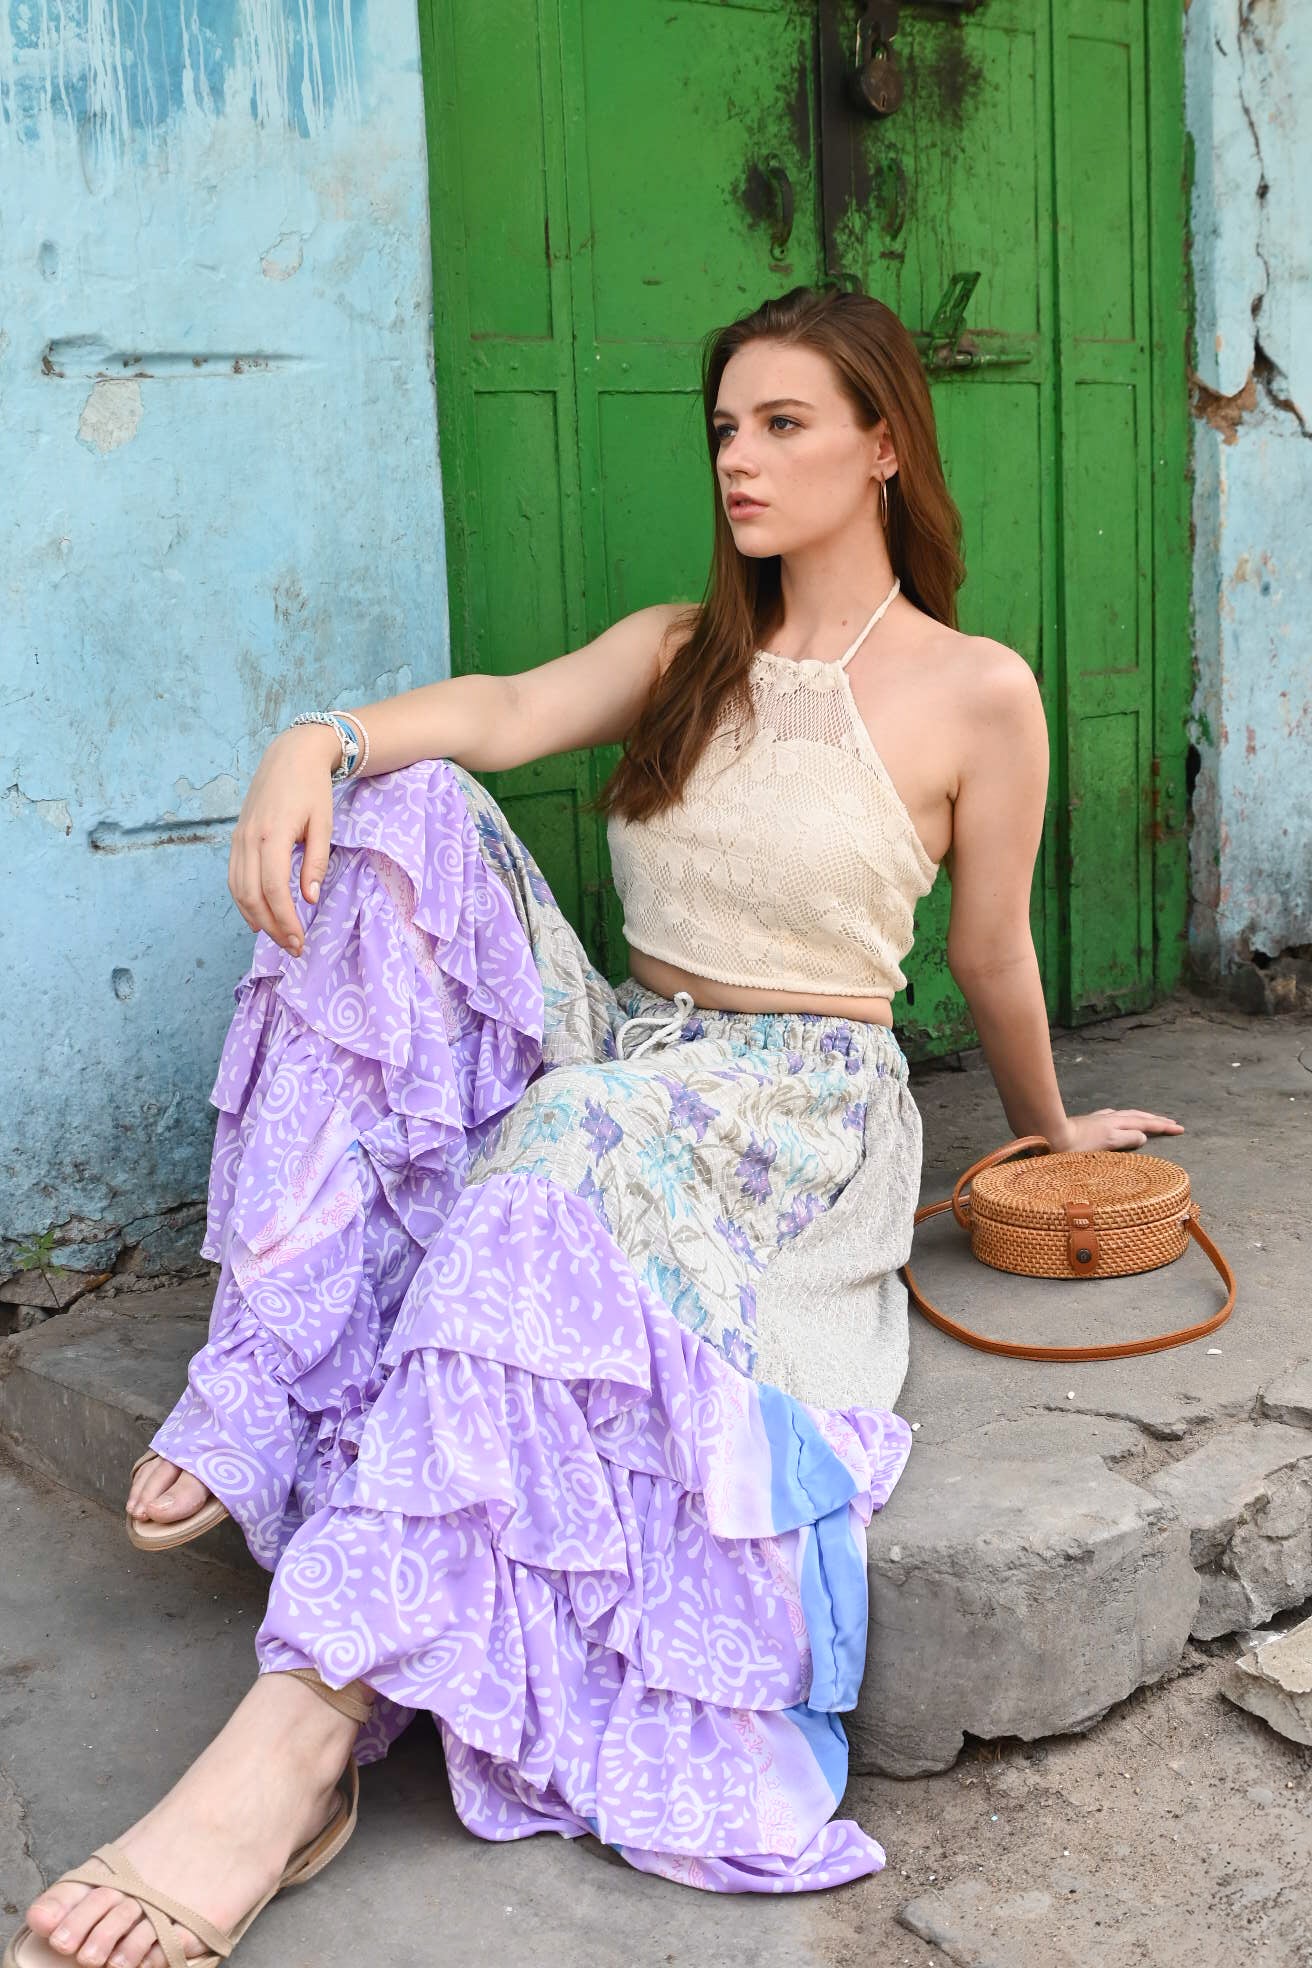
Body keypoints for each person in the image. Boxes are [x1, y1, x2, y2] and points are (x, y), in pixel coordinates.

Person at [10, 285, 1182, 1968]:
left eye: (784, 424)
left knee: (562, 1141)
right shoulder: (681, 650)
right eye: (726, 428)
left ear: (884, 446)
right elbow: (492, 714)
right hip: (632, 1049)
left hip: (794, 1106)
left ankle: (298, 1739)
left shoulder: (977, 691)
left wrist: (1052, 1132)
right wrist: (311, 742)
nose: (739, 459)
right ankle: (270, 1371)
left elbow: (992, 951)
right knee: (405, 810)